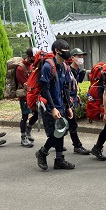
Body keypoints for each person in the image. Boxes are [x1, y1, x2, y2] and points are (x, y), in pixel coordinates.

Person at [35, 39, 75, 170]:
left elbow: (65, 88)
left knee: (61, 130)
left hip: (60, 104)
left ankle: (59, 159)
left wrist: (68, 106)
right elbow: (44, 89)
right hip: (48, 105)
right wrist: (52, 108)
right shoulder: (48, 66)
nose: (68, 53)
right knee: (54, 133)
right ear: (57, 51)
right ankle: (42, 152)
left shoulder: (64, 66)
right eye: (65, 51)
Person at [67, 48, 91, 154]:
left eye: (82, 56)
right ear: (72, 58)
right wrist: (68, 98)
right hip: (67, 101)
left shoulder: (78, 71)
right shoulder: (68, 71)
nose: (81, 59)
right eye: (79, 56)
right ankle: (77, 146)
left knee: (68, 124)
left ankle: (54, 143)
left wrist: (76, 95)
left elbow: (75, 85)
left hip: (73, 99)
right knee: (72, 124)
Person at [16, 47, 36, 148]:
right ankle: (23, 137)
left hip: (33, 94)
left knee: (37, 114)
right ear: (29, 57)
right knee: (25, 116)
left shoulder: (32, 65)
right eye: (33, 57)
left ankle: (28, 129)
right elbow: (25, 84)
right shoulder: (20, 68)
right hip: (25, 96)